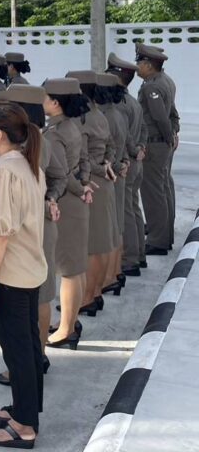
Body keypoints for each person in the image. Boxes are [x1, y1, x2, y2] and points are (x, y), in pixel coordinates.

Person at [0, 102, 47, 449]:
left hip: (10, 275)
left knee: (18, 352)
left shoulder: (5, 171)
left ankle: (25, 426)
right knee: (27, 349)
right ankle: (25, 409)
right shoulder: (26, 164)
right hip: (27, 270)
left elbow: (0, 233)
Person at [0, 84, 63, 386]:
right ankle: (32, 358)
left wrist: (49, 198)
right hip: (31, 226)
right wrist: (50, 197)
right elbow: (58, 177)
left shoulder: (32, 144)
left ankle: (29, 361)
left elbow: (57, 176)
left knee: (33, 299)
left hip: (29, 231)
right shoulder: (35, 140)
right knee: (36, 297)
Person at [42, 78, 91, 350]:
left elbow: (61, 173)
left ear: (55, 103)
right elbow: (83, 160)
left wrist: (80, 189)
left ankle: (66, 330)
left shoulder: (54, 133)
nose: (42, 101)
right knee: (76, 267)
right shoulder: (73, 126)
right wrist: (84, 183)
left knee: (69, 270)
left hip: (66, 202)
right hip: (75, 200)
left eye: (45, 97)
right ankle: (70, 322)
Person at [66, 70, 116, 319]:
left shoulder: (81, 120)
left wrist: (99, 168)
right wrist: (107, 164)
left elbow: (81, 158)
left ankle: (87, 297)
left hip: (90, 183)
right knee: (100, 242)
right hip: (102, 183)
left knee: (91, 246)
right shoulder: (99, 115)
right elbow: (111, 147)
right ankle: (94, 294)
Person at [135, 43, 179, 256]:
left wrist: (169, 136)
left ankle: (158, 240)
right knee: (164, 188)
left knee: (153, 193)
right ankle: (164, 233)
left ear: (149, 65)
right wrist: (173, 133)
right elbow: (173, 113)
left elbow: (161, 117)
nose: (137, 67)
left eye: (139, 62)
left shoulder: (151, 87)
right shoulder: (166, 80)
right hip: (163, 143)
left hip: (154, 144)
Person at [107, 53, 146, 276]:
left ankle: (129, 259)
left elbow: (123, 135)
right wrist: (140, 147)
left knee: (125, 213)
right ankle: (138, 254)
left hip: (125, 162)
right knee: (133, 208)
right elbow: (143, 130)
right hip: (133, 162)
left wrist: (134, 150)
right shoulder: (132, 101)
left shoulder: (119, 105)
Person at [95, 73, 129, 297]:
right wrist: (124, 163)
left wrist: (117, 165)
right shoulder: (117, 113)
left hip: (110, 174)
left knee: (110, 230)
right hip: (117, 172)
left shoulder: (106, 117)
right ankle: (114, 274)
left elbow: (111, 149)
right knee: (116, 227)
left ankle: (109, 277)